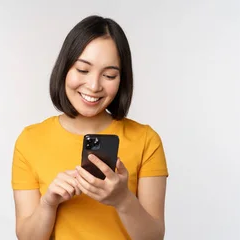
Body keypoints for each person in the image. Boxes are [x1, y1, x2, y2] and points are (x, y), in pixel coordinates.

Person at [11, 15, 169, 240]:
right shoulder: (30, 140)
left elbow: (154, 237)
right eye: (83, 70)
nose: (94, 86)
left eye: (109, 75)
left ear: (122, 79)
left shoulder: (146, 140)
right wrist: (48, 203)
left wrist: (122, 200)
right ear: (65, 68)